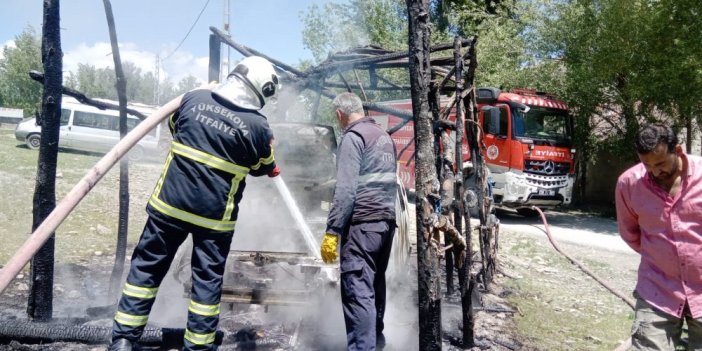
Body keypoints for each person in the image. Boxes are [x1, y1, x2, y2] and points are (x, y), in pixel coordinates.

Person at [108, 56, 281, 351]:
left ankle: (124, 339)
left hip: (169, 207)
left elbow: (177, 128)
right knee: (206, 284)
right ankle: (198, 347)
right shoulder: (258, 126)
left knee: (146, 270)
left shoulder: (192, 99)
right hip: (214, 220)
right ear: (260, 90)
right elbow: (263, 166)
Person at [319, 92, 398, 350]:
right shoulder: (383, 136)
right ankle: (376, 340)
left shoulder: (353, 138)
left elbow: (345, 190)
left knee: (357, 291)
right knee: (375, 283)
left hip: (362, 226)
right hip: (385, 224)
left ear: (340, 114)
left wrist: (332, 230)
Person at [615, 123, 702, 350]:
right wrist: (662, 257)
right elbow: (630, 233)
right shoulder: (629, 184)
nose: (654, 172)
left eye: (661, 163)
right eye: (647, 165)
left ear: (678, 151)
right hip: (657, 290)